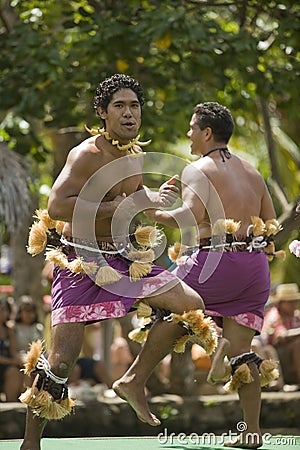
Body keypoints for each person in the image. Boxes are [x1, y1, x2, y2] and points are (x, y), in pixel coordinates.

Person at [20, 74, 217, 450]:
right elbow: (57, 206)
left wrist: (150, 199)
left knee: (190, 306)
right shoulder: (86, 154)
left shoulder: (135, 155)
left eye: (134, 106)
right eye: (119, 106)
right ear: (102, 113)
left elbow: (131, 202)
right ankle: (31, 443)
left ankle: (134, 380)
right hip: (82, 262)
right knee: (61, 364)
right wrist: (119, 205)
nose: (129, 114)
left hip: (126, 261)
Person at [144, 101, 282, 448]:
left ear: (207, 133)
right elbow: (270, 225)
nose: (189, 134)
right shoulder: (252, 172)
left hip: (214, 263)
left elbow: (186, 217)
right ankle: (251, 433)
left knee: (155, 296)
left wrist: (150, 211)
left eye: (192, 128)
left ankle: (139, 377)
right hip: (254, 270)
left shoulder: (197, 168)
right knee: (243, 353)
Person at [261, 283, 300, 388]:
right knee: (297, 344)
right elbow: (281, 336)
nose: (294, 305)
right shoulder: (274, 316)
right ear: (280, 303)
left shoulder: (296, 316)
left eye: (295, 301)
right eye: (290, 302)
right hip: (275, 357)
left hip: (290, 357)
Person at [0, 296, 23, 401]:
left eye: (5, 310)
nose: (3, 313)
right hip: (5, 362)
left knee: (16, 371)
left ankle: (12, 405)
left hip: (8, 365)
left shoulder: (9, 329)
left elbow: (13, 351)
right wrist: (11, 361)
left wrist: (20, 361)